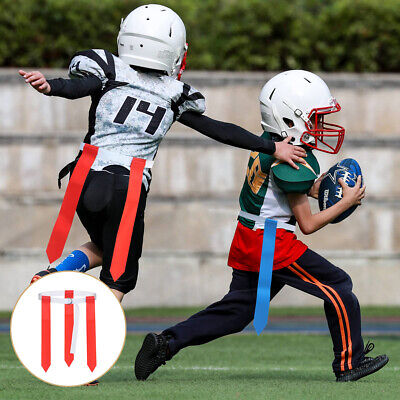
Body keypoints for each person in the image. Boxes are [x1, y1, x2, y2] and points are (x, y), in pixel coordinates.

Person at [21, 4, 305, 305]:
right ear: (172, 51)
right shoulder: (173, 93)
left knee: (105, 248)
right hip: (125, 187)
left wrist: (51, 86)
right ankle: (93, 345)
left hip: (84, 178)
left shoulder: (109, 69)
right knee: (119, 278)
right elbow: (219, 129)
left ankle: (57, 272)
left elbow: (80, 86)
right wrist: (274, 147)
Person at [134, 70, 389, 383]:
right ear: (291, 117)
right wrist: (344, 203)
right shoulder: (291, 158)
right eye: (316, 118)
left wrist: (325, 187)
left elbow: (293, 189)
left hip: (250, 235)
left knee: (236, 312)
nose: (321, 126)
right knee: (338, 287)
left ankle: (166, 343)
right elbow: (306, 224)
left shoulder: (269, 143)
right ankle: (350, 363)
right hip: (271, 243)